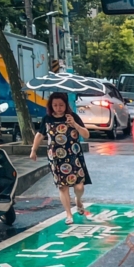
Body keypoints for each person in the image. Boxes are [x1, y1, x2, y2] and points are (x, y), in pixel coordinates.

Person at [30, 92, 92, 225]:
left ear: (66, 105)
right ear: (51, 106)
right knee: (63, 187)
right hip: (56, 158)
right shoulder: (47, 119)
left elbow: (86, 134)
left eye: (61, 105)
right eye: (55, 105)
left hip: (73, 156)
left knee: (79, 186)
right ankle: (69, 214)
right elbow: (40, 135)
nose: (58, 108)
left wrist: (74, 124)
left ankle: (78, 200)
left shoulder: (73, 117)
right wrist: (33, 150)